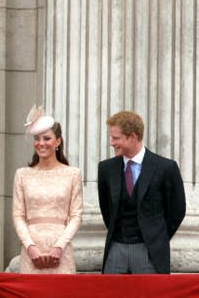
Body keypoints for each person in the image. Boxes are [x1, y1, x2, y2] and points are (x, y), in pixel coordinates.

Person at [98, 111, 186, 274]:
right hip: (116, 250)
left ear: (132, 137)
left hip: (150, 252)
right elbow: (107, 210)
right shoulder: (106, 169)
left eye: (116, 138)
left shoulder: (166, 167)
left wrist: (156, 237)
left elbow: (177, 211)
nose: (111, 143)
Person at [12, 106, 83, 273]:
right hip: (31, 251)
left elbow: (76, 215)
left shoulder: (72, 174)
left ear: (57, 141)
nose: (41, 143)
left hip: (61, 250)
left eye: (47, 138)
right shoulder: (23, 174)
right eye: (37, 138)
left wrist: (59, 246)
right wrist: (30, 246)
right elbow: (18, 215)